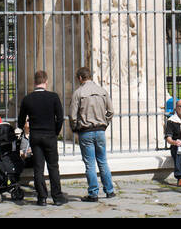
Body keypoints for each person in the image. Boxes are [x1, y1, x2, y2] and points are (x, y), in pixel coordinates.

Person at [17, 69, 67, 206]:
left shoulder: (28, 99)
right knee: (53, 166)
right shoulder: (53, 97)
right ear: (46, 82)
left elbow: (20, 120)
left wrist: (24, 128)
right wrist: (55, 132)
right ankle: (57, 197)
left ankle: (42, 197)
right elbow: (60, 118)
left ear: (34, 82)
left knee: (38, 167)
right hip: (50, 135)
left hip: (35, 135)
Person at [72, 66, 115, 202]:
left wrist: (76, 128)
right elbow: (111, 111)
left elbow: (73, 116)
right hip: (100, 130)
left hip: (86, 131)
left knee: (90, 163)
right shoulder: (102, 91)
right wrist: (104, 123)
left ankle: (93, 193)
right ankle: (109, 190)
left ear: (80, 78)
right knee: (103, 161)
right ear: (90, 76)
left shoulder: (78, 93)